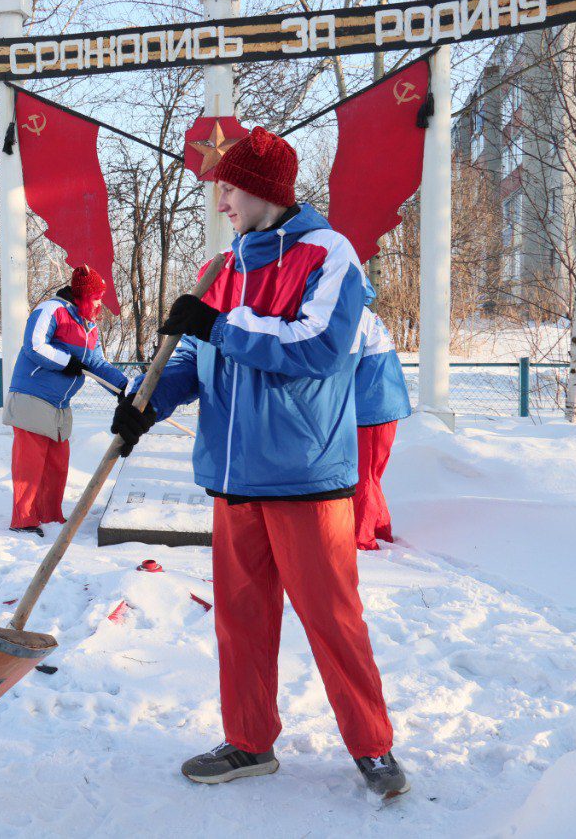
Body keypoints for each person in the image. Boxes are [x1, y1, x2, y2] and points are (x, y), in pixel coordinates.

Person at [111, 127, 408, 799]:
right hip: (233, 474)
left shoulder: (331, 255)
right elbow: (193, 356)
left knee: (333, 619)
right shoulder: (227, 268)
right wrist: (145, 402)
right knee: (240, 619)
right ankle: (248, 740)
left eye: (229, 188)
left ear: (265, 191)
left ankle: (372, 745)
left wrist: (219, 327)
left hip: (305, 475)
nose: (221, 202)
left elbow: (318, 346)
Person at [4, 265, 128, 536]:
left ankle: (49, 516)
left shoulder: (88, 325)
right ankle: (23, 520)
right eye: (96, 297)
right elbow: (34, 345)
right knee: (30, 464)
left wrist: (125, 389)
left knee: (57, 463)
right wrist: (66, 362)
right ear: (83, 295)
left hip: (60, 404)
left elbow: (95, 362)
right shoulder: (51, 309)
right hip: (32, 397)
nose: (99, 303)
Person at [353, 309, 411, 551]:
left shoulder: (354, 315)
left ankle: (362, 539)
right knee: (371, 474)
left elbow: (343, 363)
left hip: (372, 407)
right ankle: (379, 529)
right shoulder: (365, 312)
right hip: (381, 404)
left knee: (363, 474)